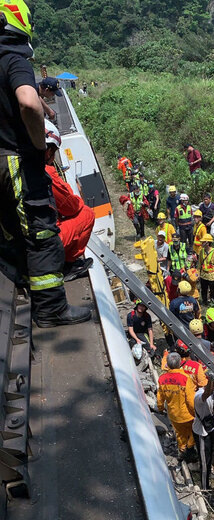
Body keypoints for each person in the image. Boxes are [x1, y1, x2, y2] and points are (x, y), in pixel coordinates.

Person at [0, 5, 90, 327]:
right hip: (15, 159)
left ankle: (19, 274)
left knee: (10, 224)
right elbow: (25, 99)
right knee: (41, 230)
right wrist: (39, 145)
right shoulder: (14, 58)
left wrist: (46, 111)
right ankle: (51, 309)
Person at [44, 121, 95, 282]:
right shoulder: (45, 172)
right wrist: (79, 201)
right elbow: (71, 207)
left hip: (18, 242)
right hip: (43, 245)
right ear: (48, 150)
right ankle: (68, 264)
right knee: (87, 214)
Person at [157, 352, 196, 462]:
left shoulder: (162, 379)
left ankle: (182, 450)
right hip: (188, 414)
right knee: (193, 432)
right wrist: (195, 412)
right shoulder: (186, 378)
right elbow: (190, 400)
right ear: (179, 363)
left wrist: (160, 408)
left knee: (180, 434)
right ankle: (190, 448)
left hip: (174, 415)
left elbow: (160, 397)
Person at [193, 378, 214, 490]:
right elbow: (207, 393)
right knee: (204, 462)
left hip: (210, 429)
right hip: (201, 432)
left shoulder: (213, 394)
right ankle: (204, 487)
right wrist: (212, 379)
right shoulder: (199, 396)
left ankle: (207, 476)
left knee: (209, 456)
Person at [199, 234, 214, 305]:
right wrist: (198, 273)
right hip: (203, 275)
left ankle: (212, 302)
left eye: (203, 242)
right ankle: (204, 301)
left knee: (213, 290)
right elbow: (200, 263)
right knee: (204, 289)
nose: (202, 243)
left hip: (211, 275)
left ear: (207, 243)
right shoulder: (201, 251)